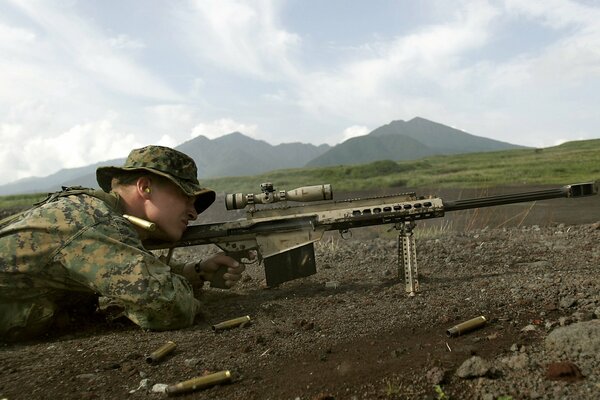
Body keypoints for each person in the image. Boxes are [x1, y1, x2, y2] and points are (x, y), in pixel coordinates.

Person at [0, 145, 245, 341]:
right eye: (186, 197)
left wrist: (198, 271)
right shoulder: (95, 220)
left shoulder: (100, 215)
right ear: (145, 186)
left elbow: (132, 273)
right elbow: (166, 304)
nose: (194, 213)